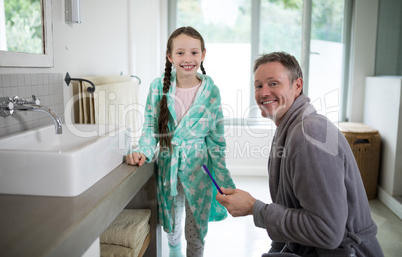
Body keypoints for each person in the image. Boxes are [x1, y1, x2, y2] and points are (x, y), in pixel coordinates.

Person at [216, 52, 384, 257]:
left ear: (297, 85)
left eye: (273, 83)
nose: (264, 93)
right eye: (258, 86)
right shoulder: (290, 128)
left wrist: (254, 208)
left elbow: (327, 232)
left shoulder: (310, 134)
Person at [126, 26, 235, 257]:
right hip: (169, 165)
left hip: (200, 168)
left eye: (194, 53)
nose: (188, 59)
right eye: (181, 53)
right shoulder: (158, 87)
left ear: (203, 55)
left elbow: (216, 139)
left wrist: (223, 176)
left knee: (196, 231)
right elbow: (150, 126)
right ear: (170, 57)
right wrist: (143, 150)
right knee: (172, 227)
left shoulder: (211, 91)